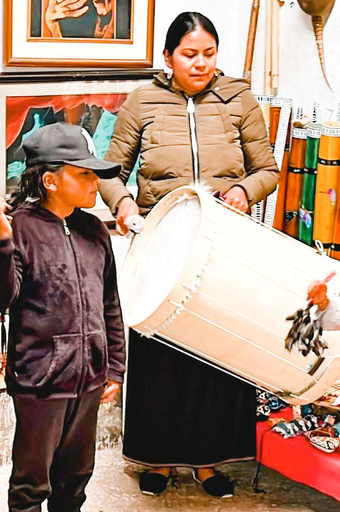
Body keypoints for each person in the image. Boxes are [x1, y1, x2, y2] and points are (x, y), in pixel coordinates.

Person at [98, 11, 279, 498]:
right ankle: (157, 459)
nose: (200, 63)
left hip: (224, 241)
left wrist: (244, 189)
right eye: (189, 54)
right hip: (164, 240)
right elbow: (109, 170)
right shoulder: (143, 101)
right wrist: (124, 202)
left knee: (215, 350)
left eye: (209, 54)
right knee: (163, 351)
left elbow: (268, 169)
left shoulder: (238, 98)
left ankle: (209, 461)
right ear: (168, 57)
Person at [0, 122, 126, 512]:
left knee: (75, 481)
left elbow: (109, 301)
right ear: (50, 180)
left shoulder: (94, 229)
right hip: (40, 380)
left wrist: (115, 367)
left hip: (90, 377)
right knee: (31, 485)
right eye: (84, 174)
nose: (95, 183)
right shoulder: (18, 228)